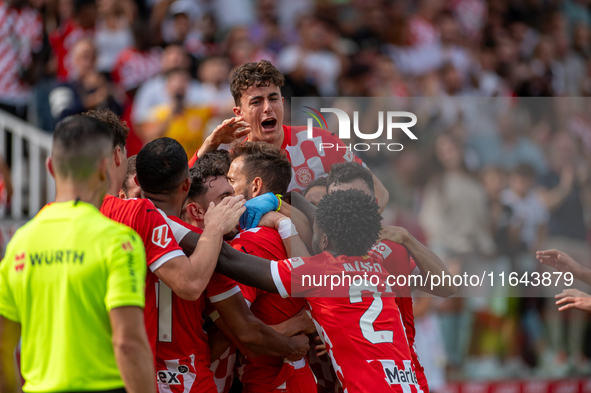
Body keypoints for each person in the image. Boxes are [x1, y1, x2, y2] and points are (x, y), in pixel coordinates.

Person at [134, 137, 311, 392]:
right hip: (194, 379)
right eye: (226, 196)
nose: (237, 202)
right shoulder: (215, 255)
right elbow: (243, 335)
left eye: (233, 189)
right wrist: (297, 330)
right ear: (195, 209)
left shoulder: (121, 218)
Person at [0, 115, 155, 393]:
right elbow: (128, 343)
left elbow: (2, 345)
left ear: (50, 168)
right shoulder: (119, 241)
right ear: (103, 167)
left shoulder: (20, 243)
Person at [215, 189, 422, 392]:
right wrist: (281, 207)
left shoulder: (321, 272)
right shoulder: (378, 270)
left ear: (324, 239)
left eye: (315, 229)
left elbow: (229, 260)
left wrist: (209, 228)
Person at [187, 60, 389, 212]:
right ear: (238, 113)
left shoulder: (319, 141)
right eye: (256, 102)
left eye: (273, 98)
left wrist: (353, 238)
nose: (268, 108)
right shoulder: (234, 162)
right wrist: (210, 144)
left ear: (282, 102)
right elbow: (181, 197)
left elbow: (378, 192)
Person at [325, 161, 455, 393]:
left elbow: (446, 287)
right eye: (340, 201)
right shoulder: (317, 255)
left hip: (402, 375)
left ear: (374, 205)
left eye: (357, 199)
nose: (348, 208)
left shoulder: (391, 250)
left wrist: (407, 238)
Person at [225, 141, 317, 393]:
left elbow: (237, 333)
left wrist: (296, 325)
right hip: (295, 376)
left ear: (255, 186)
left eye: (231, 180)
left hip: (275, 380)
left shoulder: (250, 241)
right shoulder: (294, 233)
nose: (225, 188)